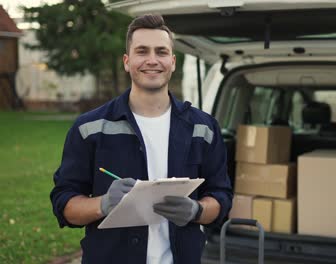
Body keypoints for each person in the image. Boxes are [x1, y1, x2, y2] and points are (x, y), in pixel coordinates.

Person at [50, 14, 233, 264]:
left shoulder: (203, 128)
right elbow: (64, 204)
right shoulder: (90, 128)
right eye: (142, 51)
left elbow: (221, 197)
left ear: (173, 61)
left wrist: (196, 210)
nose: (152, 60)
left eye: (161, 52)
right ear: (127, 61)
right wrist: (103, 204)